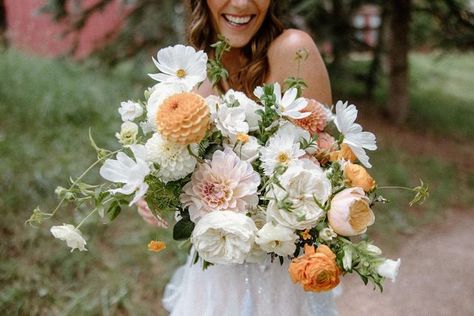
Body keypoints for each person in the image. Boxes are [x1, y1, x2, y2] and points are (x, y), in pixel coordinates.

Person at [141, 1, 338, 315]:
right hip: (214, 272)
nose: (243, 3)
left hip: (279, 277)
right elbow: (181, 168)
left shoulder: (293, 50)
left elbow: (331, 167)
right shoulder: (191, 70)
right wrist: (156, 188)